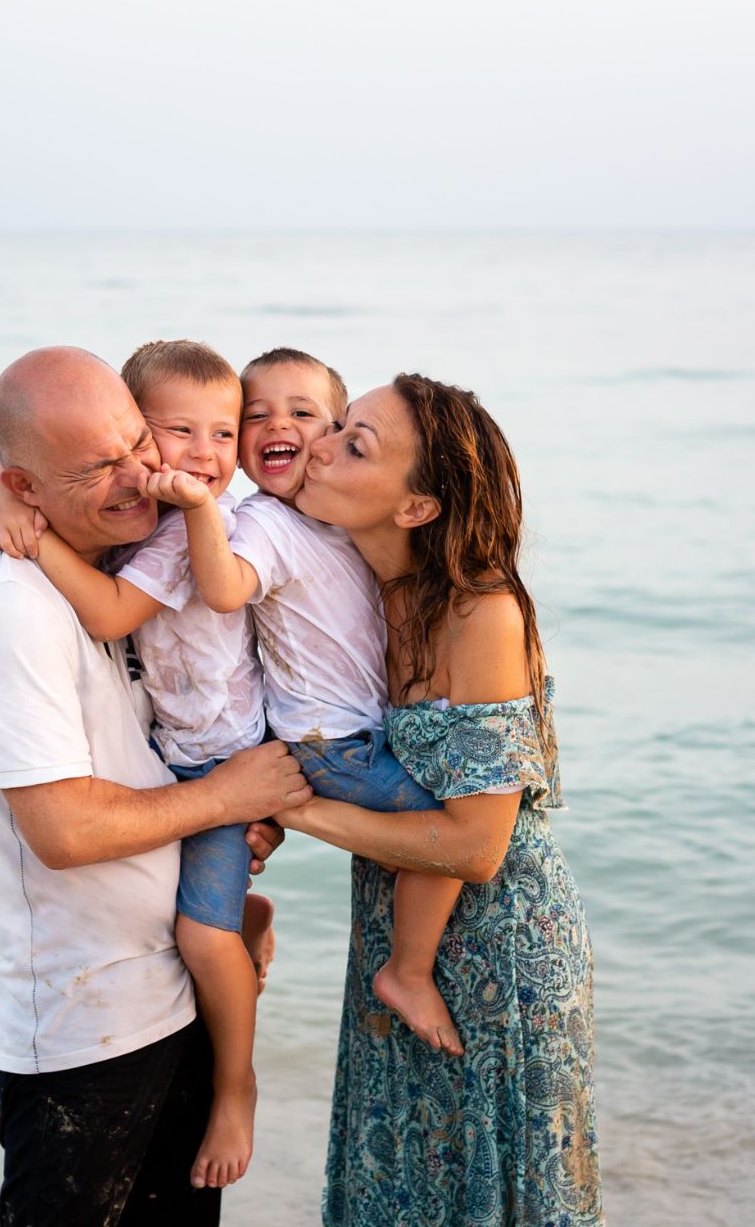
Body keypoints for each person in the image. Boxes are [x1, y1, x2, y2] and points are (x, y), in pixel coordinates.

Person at [0, 346, 311, 1227]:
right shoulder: (7, 607)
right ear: (28, 484)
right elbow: (62, 828)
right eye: (98, 466)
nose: (138, 474)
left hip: (166, 993)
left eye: (138, 440)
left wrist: (238, 816)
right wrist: (226, 798)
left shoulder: (121, 555)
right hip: (80, 1028)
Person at [276, 373, 603, 1226]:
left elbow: (477, 846)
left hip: (501, 955)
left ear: (416, 506)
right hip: (390, 930)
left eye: (356, 444)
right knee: (395, 1182)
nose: (320, 444)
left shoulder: (482, 614)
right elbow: (192, 492)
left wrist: (293, 809)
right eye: (338, 426)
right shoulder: (342, 576)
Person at [148, 347, 470, 1057]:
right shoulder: (263, 522)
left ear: (333, 437)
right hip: (329, 743)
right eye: (253, 415)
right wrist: (201, 505)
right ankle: (408, 972)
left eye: (302, 413)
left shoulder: (338, 518)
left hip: (343, 733)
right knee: (442, 826)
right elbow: (226, 586)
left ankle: (250, 923)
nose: (275, 424)